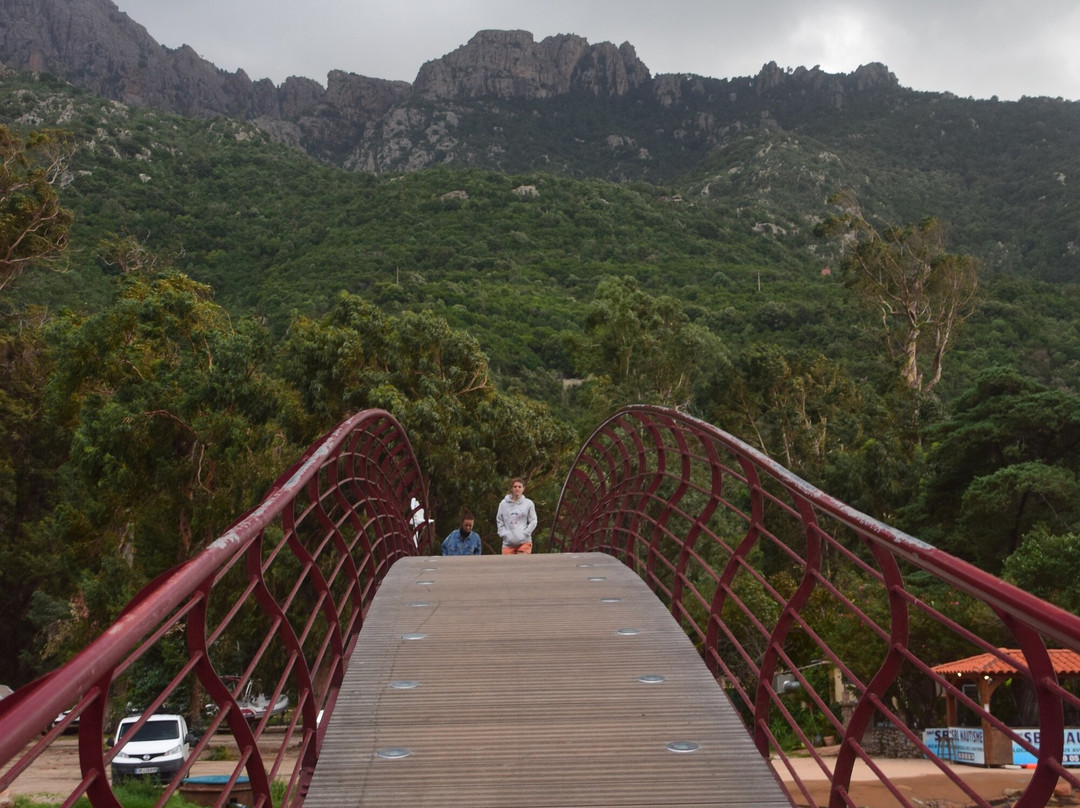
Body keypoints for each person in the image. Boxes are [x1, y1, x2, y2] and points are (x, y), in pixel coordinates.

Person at [496, 478, 537, 554]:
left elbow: (533, 521)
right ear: (512, 488)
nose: (517, 489)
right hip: (508, 543)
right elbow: (499, 520)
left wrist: (525, 533)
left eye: (519, 487)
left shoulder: (528, 503)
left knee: (521, 564)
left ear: (523, 489)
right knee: (508, 565)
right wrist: (503, 533)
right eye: (515, 486)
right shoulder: (503, 504)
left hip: (524, 542)